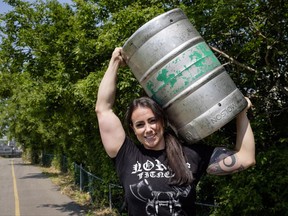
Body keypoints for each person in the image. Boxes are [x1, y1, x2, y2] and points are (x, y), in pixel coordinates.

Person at [95, 47, 255, 216]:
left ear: (163, 122)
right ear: (133, 130)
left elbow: (246, 158)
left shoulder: (191, 154)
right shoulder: (127, 155)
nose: (148, 129)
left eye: (152, 121)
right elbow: (103, 109)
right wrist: (114, 63)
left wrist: (241, 114)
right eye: (140, 125)